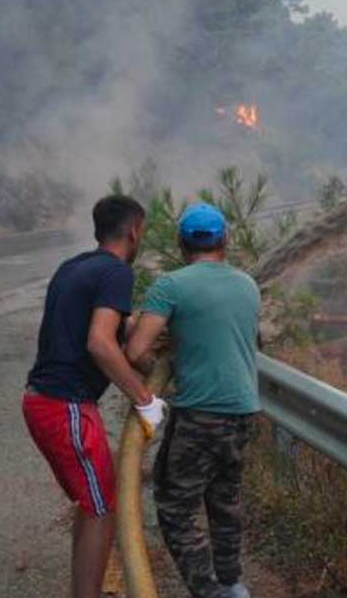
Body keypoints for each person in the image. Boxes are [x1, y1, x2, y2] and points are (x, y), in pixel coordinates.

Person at [23, 195, 168, 598]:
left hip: (42, 402)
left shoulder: (74, 267)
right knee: (103, 506)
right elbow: (100, 344)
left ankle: (82, 591)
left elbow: (109, 332)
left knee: (93, 501)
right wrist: (145, 399)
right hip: (64, 405)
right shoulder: (116, 272)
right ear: (135, 230)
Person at [126, 203, 260, 598]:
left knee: (174, 507)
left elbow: (135, 352)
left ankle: (209, 592)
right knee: (224, 502)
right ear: (225, 241)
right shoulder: (248, 285)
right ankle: (232, 585)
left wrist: (160, 363)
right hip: (243, 412)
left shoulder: (172, 286)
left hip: (201, 413)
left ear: (181, 243)